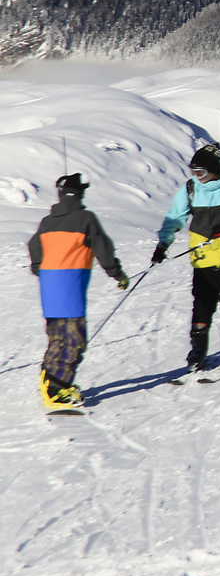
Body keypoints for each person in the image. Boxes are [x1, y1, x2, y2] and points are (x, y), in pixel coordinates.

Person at [152, 144, 220, 375]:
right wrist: (163, 244)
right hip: (203, 253)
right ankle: (198, 352)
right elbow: (175, 218)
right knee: (202, 301)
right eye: (193, 172)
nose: (196, 177)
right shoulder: (190, 189)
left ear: (212, 169)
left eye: (200, 172)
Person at [25, 173, 128, 411]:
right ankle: (58, 390)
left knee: (57, 336)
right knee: (74, 339)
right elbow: (103, 247)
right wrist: (117, 274)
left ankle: (49, 378)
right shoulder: (85, 218)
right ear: (79, 194)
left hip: (49, 284)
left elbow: (33, 245)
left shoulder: (47, 221)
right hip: (70, 284)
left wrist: (39, 267)